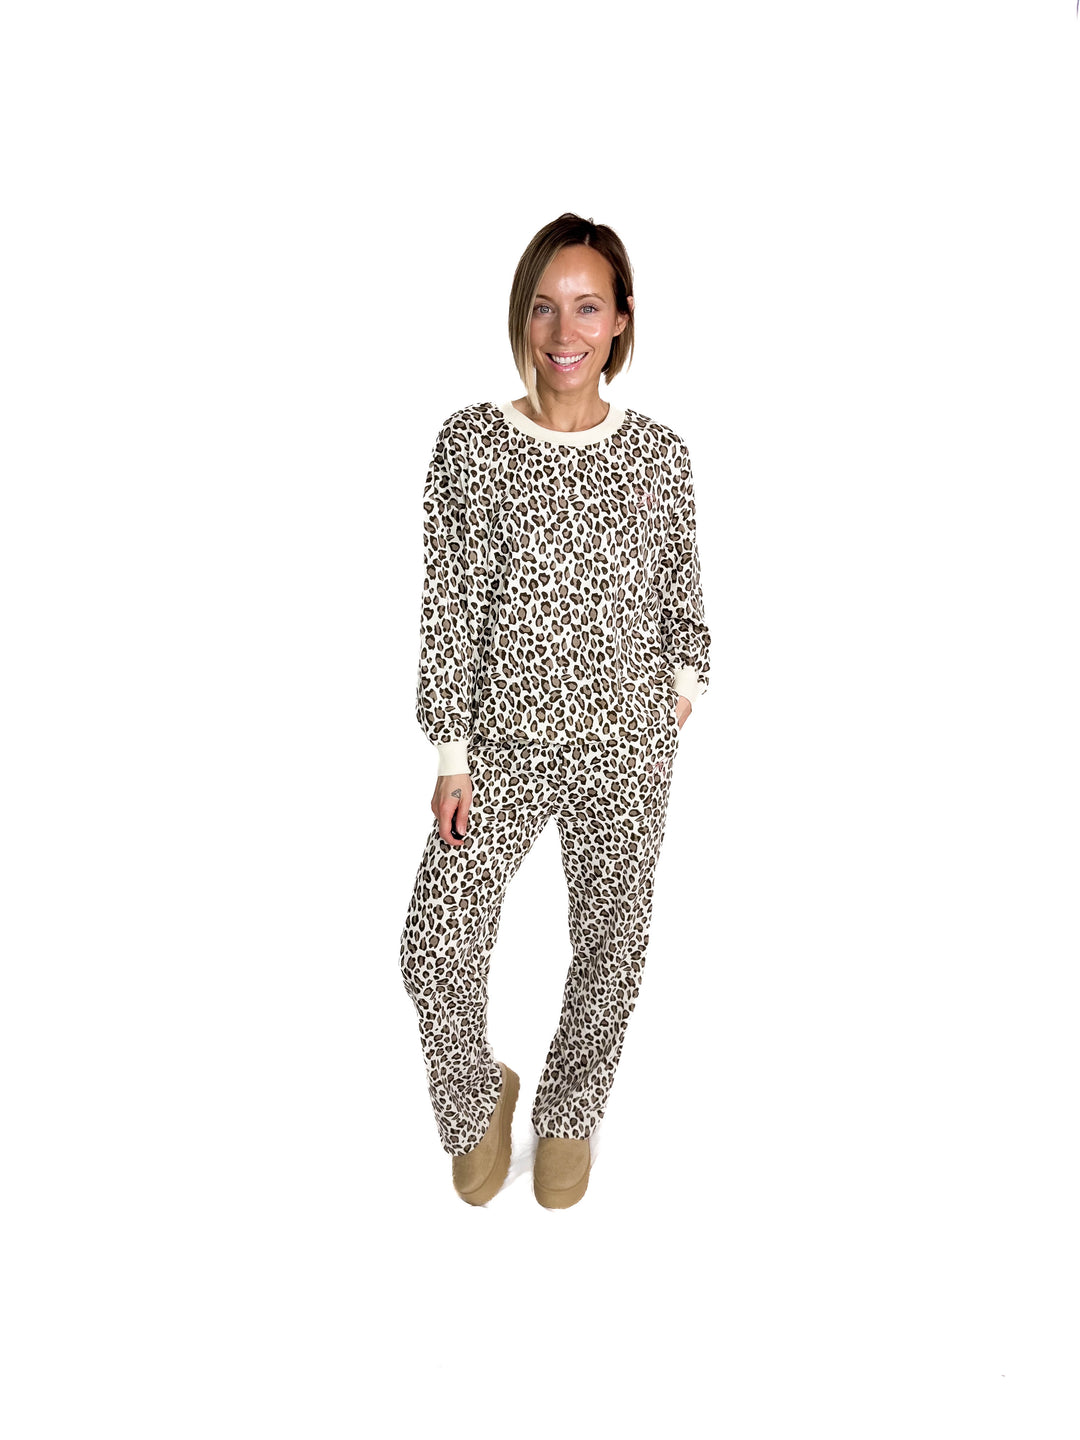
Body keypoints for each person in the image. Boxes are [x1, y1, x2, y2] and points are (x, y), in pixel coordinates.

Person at [399, 212, 712, 1208]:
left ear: (621, 320)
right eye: (543, 307)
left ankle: (572, 1110)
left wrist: (683, 684)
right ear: (522, 317)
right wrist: (451, 753)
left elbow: (681, 592)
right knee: (434, 945)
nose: (563, 331)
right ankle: (475, 1096)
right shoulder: (471, 444)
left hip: (626, 739)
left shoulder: (659, 454)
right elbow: (448, 606)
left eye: (586, 307)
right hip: (501, 744)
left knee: (614, 939)